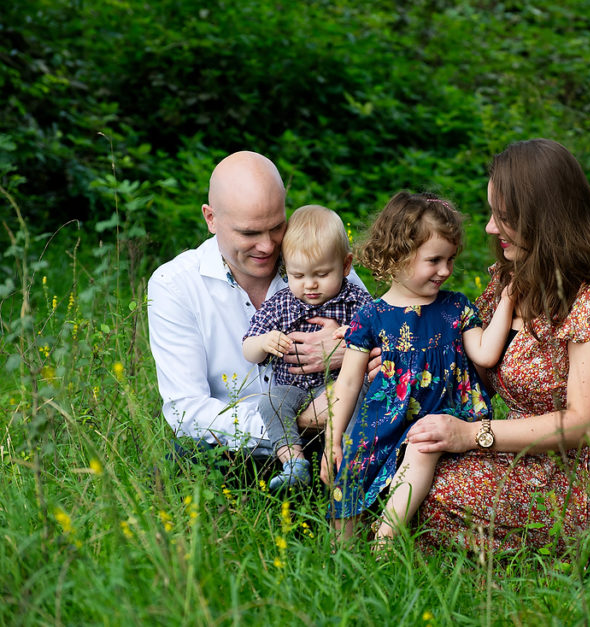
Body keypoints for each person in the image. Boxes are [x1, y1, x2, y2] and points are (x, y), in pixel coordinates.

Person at [405, 139, 590, 553]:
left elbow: (582, 427)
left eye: (503, 217)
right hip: (521, 454)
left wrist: (471, 436)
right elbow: (465, 363)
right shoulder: (510, 280)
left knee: (434, 492)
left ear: (544, 218)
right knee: (404, 466)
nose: (489, 228)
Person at [148, 151, 368, 467]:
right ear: (211, 218)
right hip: (239, 450)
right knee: (185, 458)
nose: (267, 246)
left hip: (337, 437)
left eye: (276, 227)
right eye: (249, 233)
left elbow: (389, 340)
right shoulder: (175, 285)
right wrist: (294, 421)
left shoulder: (320, 263)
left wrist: (350, 350)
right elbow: (187, 412)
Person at [319, 191, 515, 544]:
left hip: (442, 413)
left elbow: (485, 355)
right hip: (384, 415)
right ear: (397, 256)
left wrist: (509, 299)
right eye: (434, 260)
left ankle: (385, 542)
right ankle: (341, 554)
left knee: (423, 444)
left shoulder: (456, 307)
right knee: (348, 464)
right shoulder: (371, 316)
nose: (445, 271)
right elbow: (348, 384)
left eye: (450, 260)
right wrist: (334, 439)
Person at [242, 205, 372, 491]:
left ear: (346, 265)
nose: (310, 285)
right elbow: (248, 347)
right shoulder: (281, 302)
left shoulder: (356, 300)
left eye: (322, 274)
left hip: (338, 384)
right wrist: (264, 342)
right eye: (298, 276)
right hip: (294, 389)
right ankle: (293, 462)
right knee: (270, 402)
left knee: (357, 394)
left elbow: (379, 335)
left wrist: (353, 335)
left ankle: (349, 458)